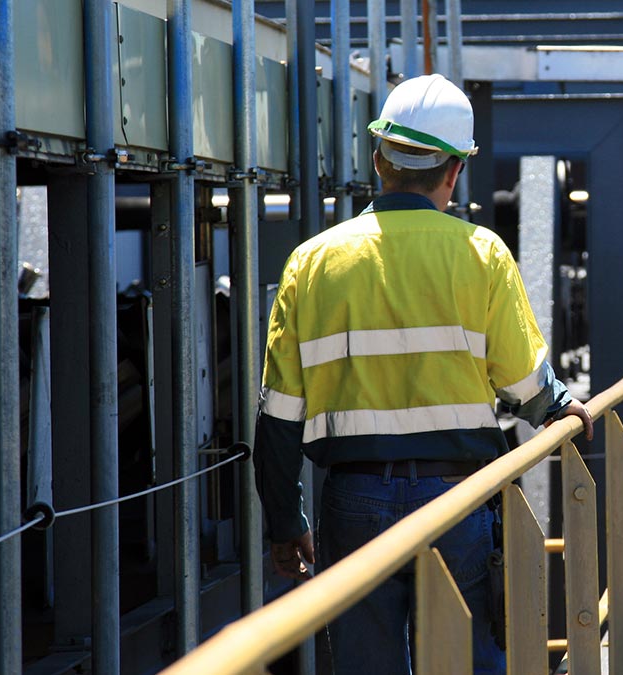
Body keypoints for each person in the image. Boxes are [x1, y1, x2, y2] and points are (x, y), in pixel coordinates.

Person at [252, 73, 593, 675]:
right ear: (454, 171)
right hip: (457, 496)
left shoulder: (313, 262)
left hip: (353, 500)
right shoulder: (481, 253)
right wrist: (560, 405)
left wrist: (285, 522)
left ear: (378, 160)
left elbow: (278, 418)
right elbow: (522, 385)